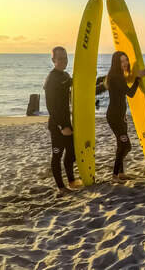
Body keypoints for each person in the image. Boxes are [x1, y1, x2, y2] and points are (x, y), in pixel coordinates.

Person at [43, 47, 83, 195]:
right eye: (60, 58)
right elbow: (50, 106)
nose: (64, 61)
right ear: (53, 60)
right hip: (57, 124)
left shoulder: (65, 75)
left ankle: (71, 181)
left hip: (67, 122)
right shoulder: (51, 78)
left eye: (65, 58)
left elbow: (75, 85)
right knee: (57, 155)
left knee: (71, 153)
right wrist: (61, 126)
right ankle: (61, 187)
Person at [103, 51, 145, 182]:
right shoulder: (116, 77)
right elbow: (131, 93)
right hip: (115, 117)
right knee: (126, 146)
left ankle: (121, 173)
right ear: (116, 63)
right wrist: (138, 78)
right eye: (122, 61)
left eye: (126, 60)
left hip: (120, 116)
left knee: (120, 145)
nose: (125, 63)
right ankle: (115, 175)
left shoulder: (117, 75)